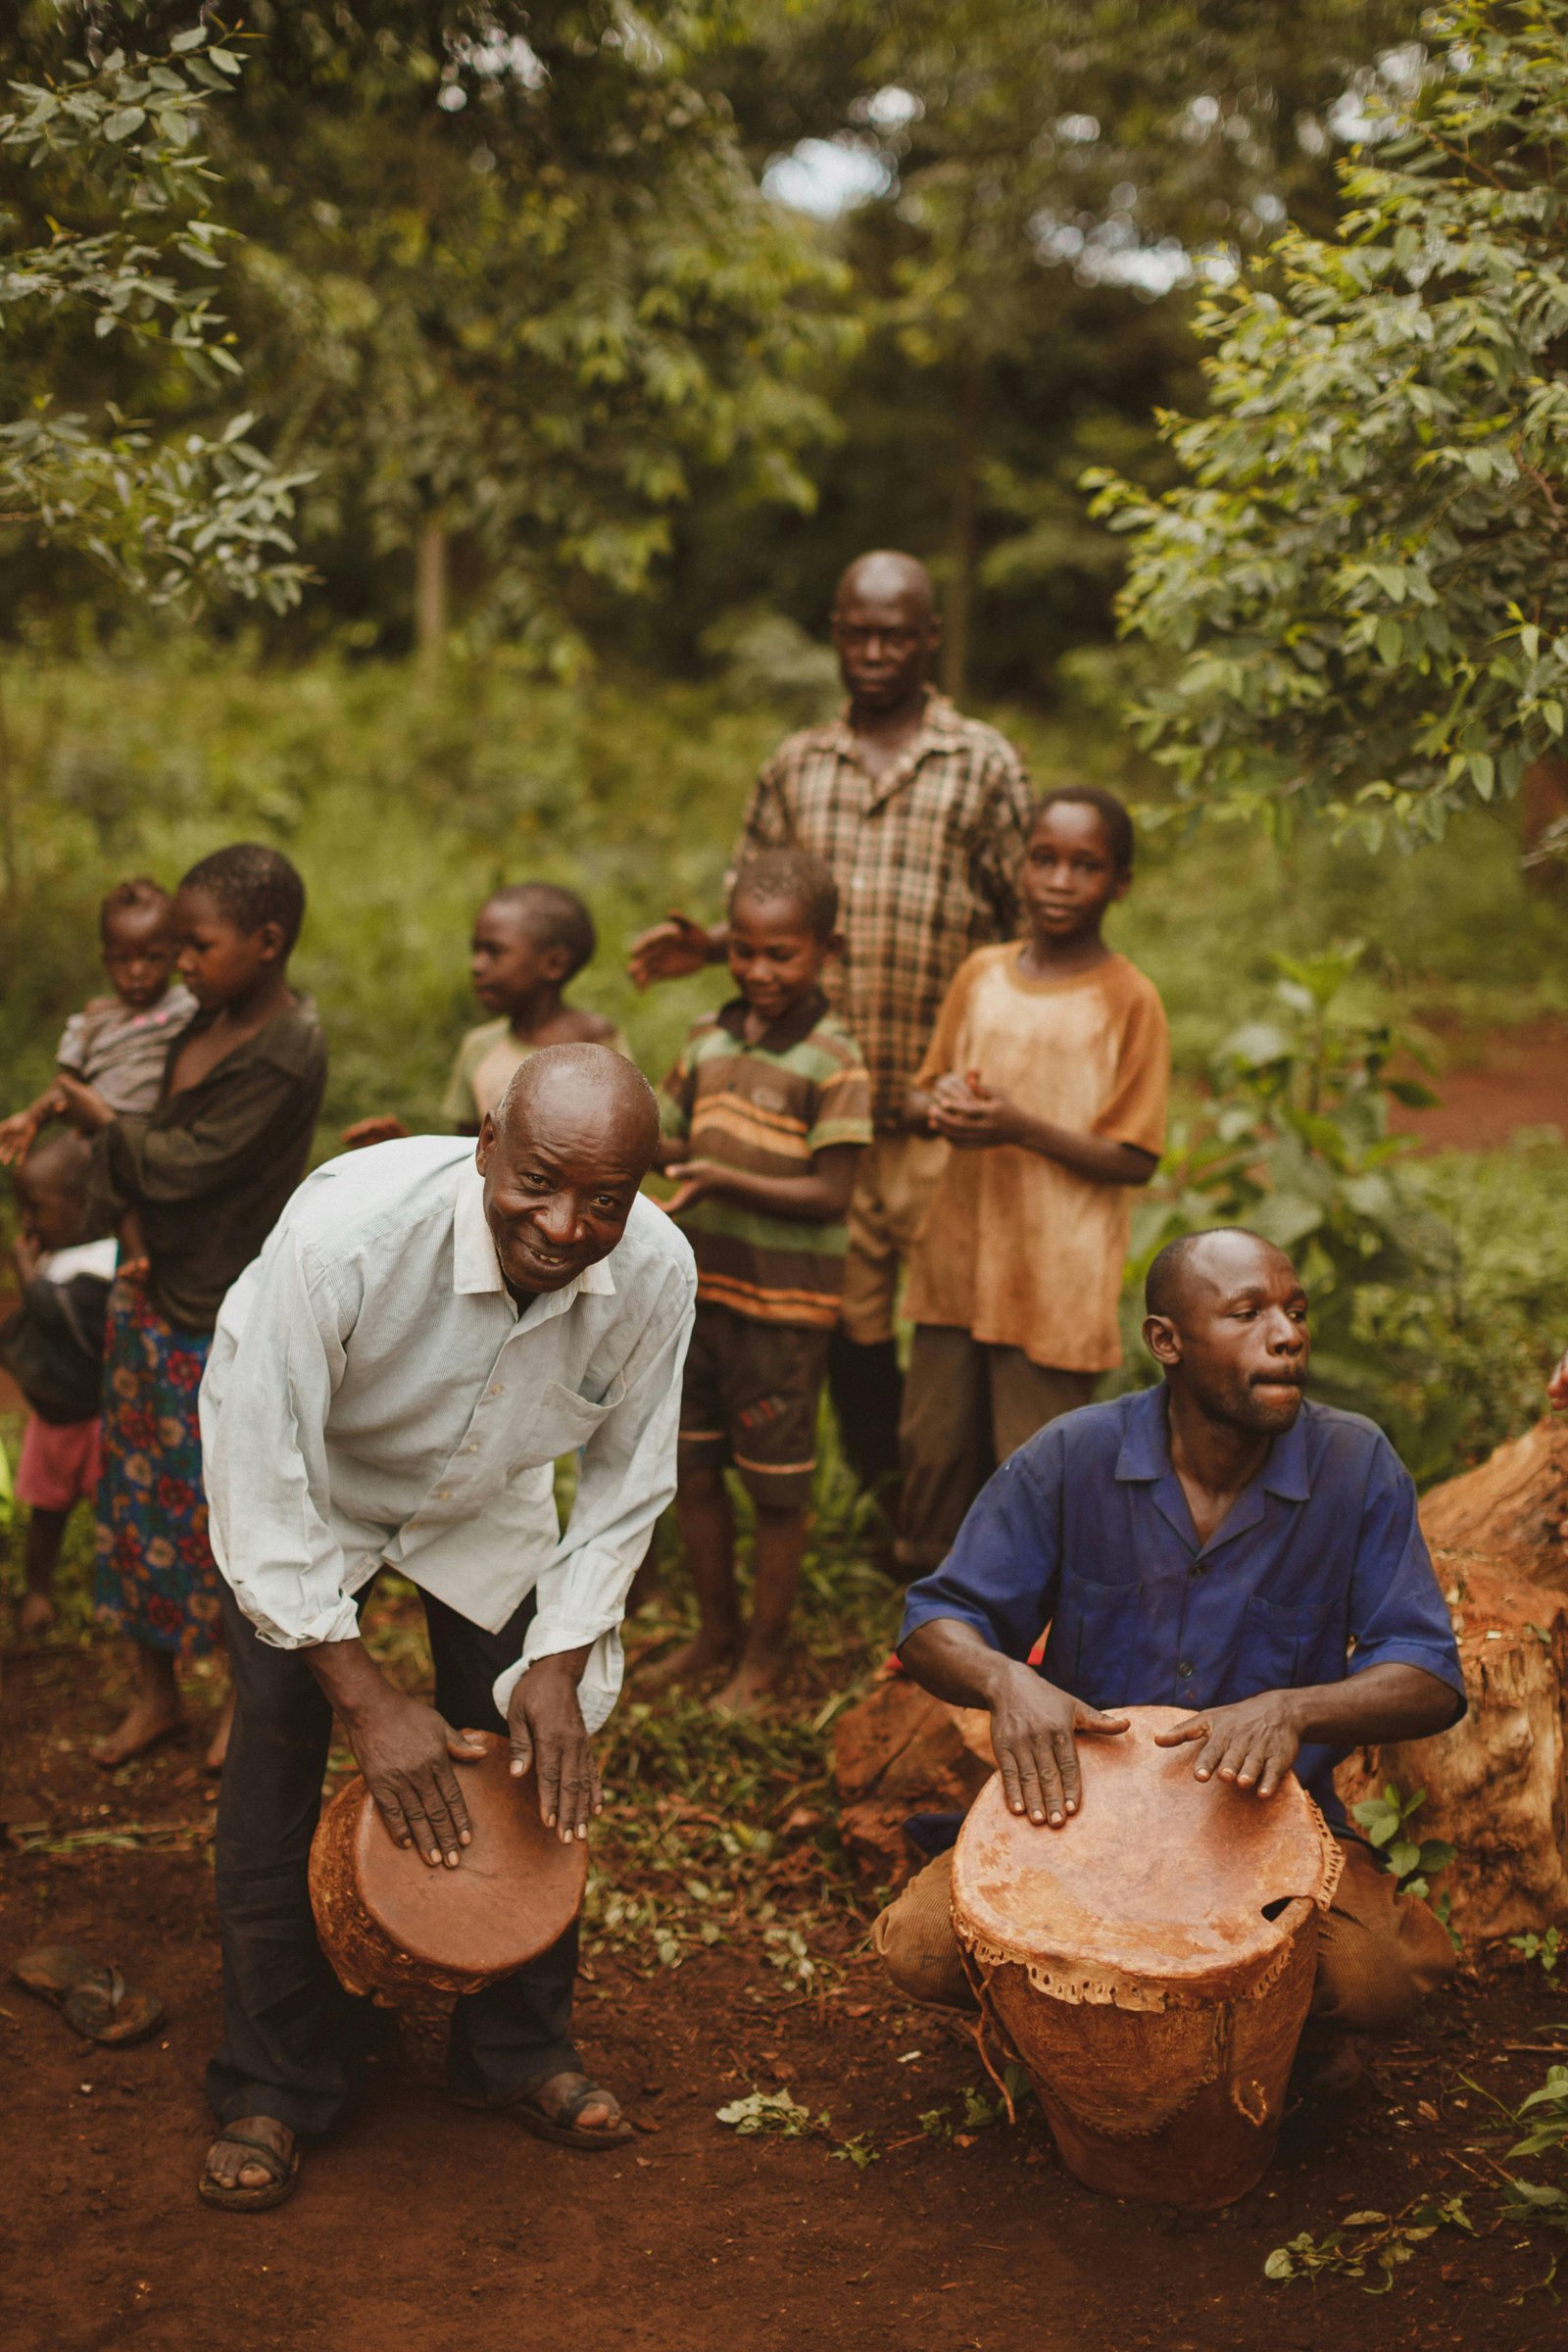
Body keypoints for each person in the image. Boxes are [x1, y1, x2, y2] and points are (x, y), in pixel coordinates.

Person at [195, 1045, 696, 2211]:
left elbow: (630, 1486)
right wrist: (367, 1698)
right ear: (485, 1145)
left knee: (538, 1754)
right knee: (279, 1745)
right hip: (309, 1479)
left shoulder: (659, 1269)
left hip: (485, 1498)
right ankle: (273, 2078)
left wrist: (558, 1663)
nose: (567, 1226)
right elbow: (262, 1484)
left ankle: (516, 2048)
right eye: (538, 1184)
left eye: (605, 1201)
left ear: (643, 1189)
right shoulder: (346, 1243)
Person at [875, 1227, 1465, 2074]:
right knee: (923, 1946)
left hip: (1264, 1833)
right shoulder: (1074, 1456)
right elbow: (936, 1620)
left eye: (1295, 1312)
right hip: (1078, 1825)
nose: (1288, 1332)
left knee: (1383, 1977)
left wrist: (1293, 1708)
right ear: (1167, 1342)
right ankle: (1068, 2034)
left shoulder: (1355, 1465)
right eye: (1248, 1312)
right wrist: (1008, 1681)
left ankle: (1264, 2037)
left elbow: (1428, 1673)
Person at [629, 551, 1034, 1519]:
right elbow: (771, 909)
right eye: (859, 631)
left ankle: (961, 1517)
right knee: (845, 1322)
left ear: (929, 638)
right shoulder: (796, 766)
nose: (876, 651)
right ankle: (888, 1496)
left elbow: (1027, 931)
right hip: (817, 1118)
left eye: (897, 633)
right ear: (836, 631)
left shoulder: (980, 762)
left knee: (953, 1318)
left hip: (938, 1110)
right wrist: (714, 942)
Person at [60, 844, 327, 1772]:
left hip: (221, 1314)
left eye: (197, 945)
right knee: (137, 1501)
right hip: (149, 1294)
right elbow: (155, 1150)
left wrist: (102, 1126)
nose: (179, 963)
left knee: (226, 1513)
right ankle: (156, 1695)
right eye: (175, 944)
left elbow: (185, 1164)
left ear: (266, 942)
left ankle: (239, 1706)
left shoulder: (288, 1051)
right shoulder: (198, 1020)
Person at [896, 788, 1168, 1573]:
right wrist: (940, 1103)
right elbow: (923, 1090)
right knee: (934, 1442)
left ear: (1119, 882)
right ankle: (929, 1619)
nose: (1058, 881)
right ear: (1020, 865)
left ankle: (1024, 1625)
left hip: (1053, 1273)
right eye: (1043, 859)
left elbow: (1135, 1155)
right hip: (957, 1256)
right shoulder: (981, 973)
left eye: (1084, 867)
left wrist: (1021, 1128)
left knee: (1034, 1458)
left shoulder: (1128, 999)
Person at [644, 848, 872, 1711]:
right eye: (743, 949)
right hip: (698, 1299)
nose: (760, 970)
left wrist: (722, 1176)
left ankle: (767, 1654)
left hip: (783, 1314)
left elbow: (831, 1193)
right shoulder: (706, 1036)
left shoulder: (835, 1059)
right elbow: (667, 1136)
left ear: (824, 950)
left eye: (782, 954)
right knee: (693, 1469)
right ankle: (715, 1631)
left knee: (775, 1490)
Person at [343, 882, 626, 1149]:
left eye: (494, 952)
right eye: (476, 951)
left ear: (554, 964)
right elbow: (468, 1152)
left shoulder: (598, 1044)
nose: (476, 965)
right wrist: (408, 1148)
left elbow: (624, 1142)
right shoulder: (479, 1047)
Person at [2, 1136, 116, 1636]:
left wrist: (29, 1277)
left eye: (36, 1208)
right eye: (21, 1207)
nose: (27, 1221)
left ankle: (119, 1600)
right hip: (53, 1423)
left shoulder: (101, 1263)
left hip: (97, 1422)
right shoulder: (58, 1258)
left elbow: (53, 1313)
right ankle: (38, 1591)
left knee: (115, 1518)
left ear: (80, 1202)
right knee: (46, 1514)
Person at [0, 876, 195, 1167]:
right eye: (123, 959)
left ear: (174, 957)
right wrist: (32, 1118)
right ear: (106, 960)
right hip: (93, 1137)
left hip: (151, 1142)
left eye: (152, 957)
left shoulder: (187, 1007)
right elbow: (65, 1084)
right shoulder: (93, 1023)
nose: (137, 971)